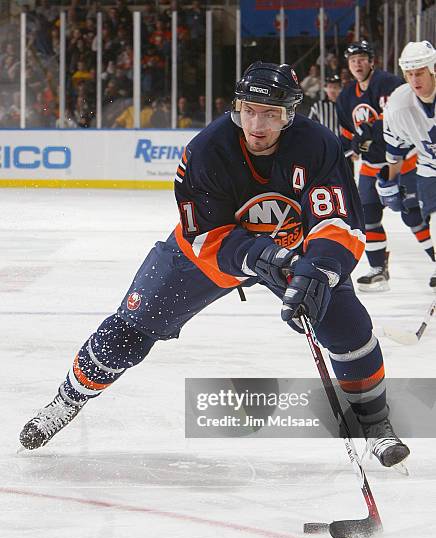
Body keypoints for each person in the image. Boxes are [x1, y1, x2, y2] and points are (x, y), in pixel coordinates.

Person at [19, 62, 409, 469]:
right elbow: (204, 236)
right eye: (249, 110)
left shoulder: (318, 146)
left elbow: (338, 221)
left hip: (293, 252)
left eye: (271, 114)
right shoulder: (207, 150)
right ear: (237, 107)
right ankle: (67, 399)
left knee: (348, 325)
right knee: (132, 325)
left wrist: (322, 270)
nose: (257, 124)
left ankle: (375, 425)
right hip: (211, 257)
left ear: (290, 114)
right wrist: (254, 255)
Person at [336, 41, 434, 291]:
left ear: (372, 61)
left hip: (409, 161)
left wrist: (373, 130)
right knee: (367, 215)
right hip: (374, 166)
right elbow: (349, 136)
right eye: (352, 60)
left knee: (413, 215)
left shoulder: (389, 83)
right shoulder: (346, 96)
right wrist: (352, 152)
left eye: (361, 58)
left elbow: (390, 122)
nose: (357, 64)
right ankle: (378, 269)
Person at [380, 41, 436, 289]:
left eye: (420, 72)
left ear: (433, 69)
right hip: (430, 168)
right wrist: (388, 181)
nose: (415, 79)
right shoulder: (398, 104)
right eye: (410, 74)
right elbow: (395, 152)